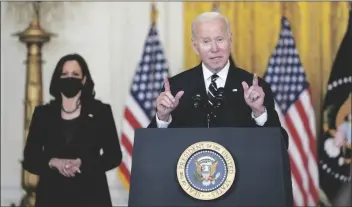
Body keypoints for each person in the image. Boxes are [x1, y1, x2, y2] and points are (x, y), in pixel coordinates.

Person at [148, 12, 289, 149]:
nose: (214, 49)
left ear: (230, 41)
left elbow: (281, 145)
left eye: (220, 39)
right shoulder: (176, 87)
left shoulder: (256, 87)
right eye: (206, 41)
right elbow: (151, 148)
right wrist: (162, 117)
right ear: (195, 46)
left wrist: (259, 112)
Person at [22, 53, 123, 207]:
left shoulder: (100, 112)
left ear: (84, 79)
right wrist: (52, 162)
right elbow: (30, 158)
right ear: (57, 79)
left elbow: (114, 156)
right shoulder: (43, 114)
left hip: (92, 196)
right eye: (65, 74)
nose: (70, 78)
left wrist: (83, 163)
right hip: (51, 196)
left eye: (75, 74)